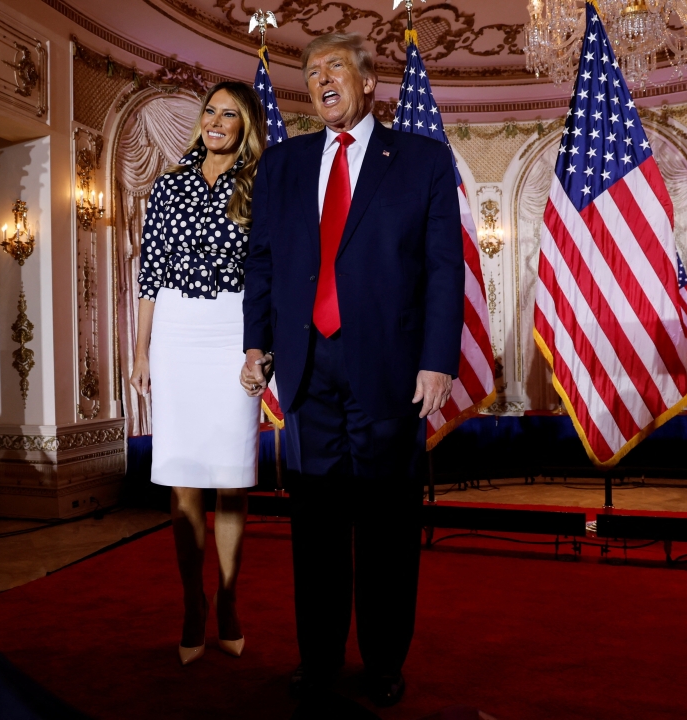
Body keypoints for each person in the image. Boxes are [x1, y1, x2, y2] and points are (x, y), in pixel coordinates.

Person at [241, 33, 465, 707]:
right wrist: (257, 345)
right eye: (309, 73)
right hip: (306, 372)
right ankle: (318, 657)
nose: (319, 79)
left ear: (368, 82)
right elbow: (262, 263)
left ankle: (384, 661)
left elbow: (443, 268)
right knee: (315, 530)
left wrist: (437, 361)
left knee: (387, 529)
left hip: (392, 373)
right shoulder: (283, 164)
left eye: (334, 67)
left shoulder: (421, 158)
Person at [131, 81, 267, 666]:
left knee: (232, 478)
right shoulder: (168, 184)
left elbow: (270, 274)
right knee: (185, 480)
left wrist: (261, 349)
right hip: (178, 334)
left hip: (235, 332)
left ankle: (230, 600)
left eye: (228, 114)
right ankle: (193, 603)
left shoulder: (260, 185)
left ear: (245, 126)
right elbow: (150, 274)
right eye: (209, 111)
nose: (215, 121)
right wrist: (141, 350)